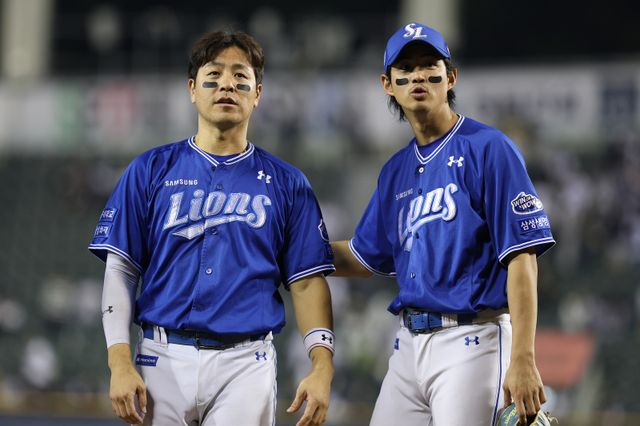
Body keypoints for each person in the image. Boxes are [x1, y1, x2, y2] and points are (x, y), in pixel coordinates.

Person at [89, 30, 335, 426]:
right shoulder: (150, 170)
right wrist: (118, 361)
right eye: (214, 75)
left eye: (240, 76)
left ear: (257, 93)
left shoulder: (288, 183)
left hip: (246, 362)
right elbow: (121, 270)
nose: (226, 85)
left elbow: (306, 282)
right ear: (192, 89)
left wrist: (321, 365)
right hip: (160, 357)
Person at [330, 22, 555, 426]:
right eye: (406, 68)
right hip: (407, 347)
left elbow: (522, 257)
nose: (418, 76)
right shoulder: (395, 170)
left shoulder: (489, 149)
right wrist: (289, 250)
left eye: (428, 65)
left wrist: (523, 357)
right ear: (388, 84)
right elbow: (363, 258)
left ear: (450, 77)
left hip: (474, 341)